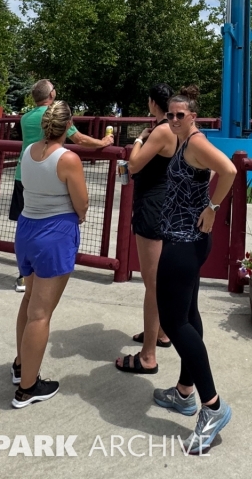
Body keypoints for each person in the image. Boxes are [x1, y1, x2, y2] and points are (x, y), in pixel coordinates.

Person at [153, 86, 237, 454]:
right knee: (188, 314)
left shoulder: (198, 143)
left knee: (174, 324)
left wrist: (213, 207)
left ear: (193, 116)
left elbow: (230, 169)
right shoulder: (182, 142)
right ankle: (186, 393)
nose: (173, 120)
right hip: (184, 238)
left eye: (179, 115)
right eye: (169, 115)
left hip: (186, 242)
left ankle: (213, 406)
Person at [11, 100, 88, 408]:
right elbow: (80, 203)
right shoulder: (68, 158)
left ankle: (21, 365)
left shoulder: (28, 153)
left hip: (27, 228)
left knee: (29, 300)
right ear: (67, 126)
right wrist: (78, 214)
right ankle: (28, 388)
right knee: (41, 314)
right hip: (54, 233)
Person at [10, 79, 114, 292]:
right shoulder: (54, 116)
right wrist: (103, 143)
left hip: (25, 174)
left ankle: (24, 273)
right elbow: (80, 139)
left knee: (28, 219)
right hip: (51, 172)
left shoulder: (26, 117)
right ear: (52, 94)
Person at [116, 82, 176, 375]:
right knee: (158, 280)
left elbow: (135, 165)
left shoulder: (162, 130)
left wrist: (138, 139)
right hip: (164, 206)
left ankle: (148, 356)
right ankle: (161, 332)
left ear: (154, 103)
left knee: (151, 284)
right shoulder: (175, 128)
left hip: (153, 208)